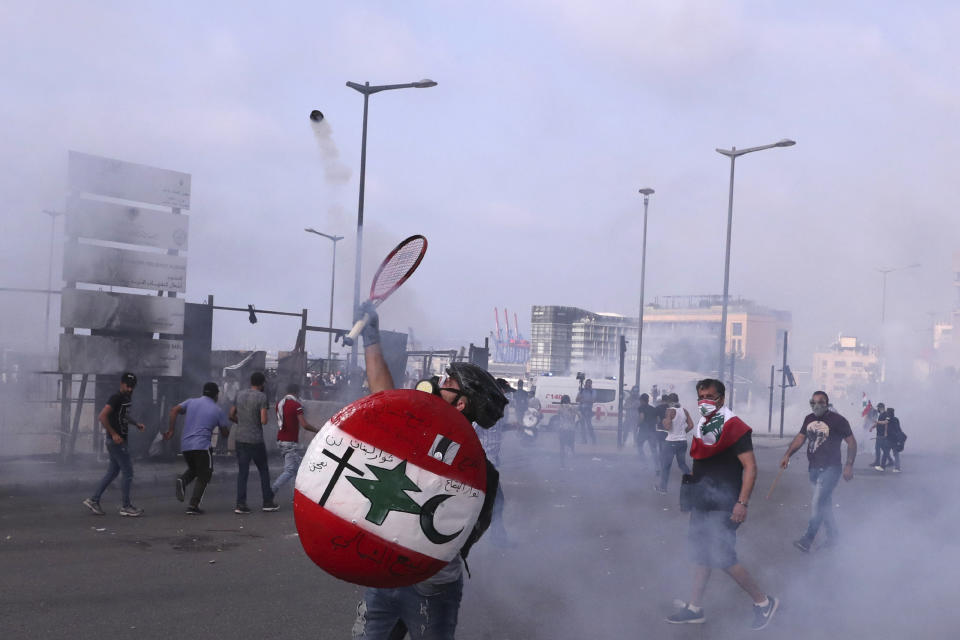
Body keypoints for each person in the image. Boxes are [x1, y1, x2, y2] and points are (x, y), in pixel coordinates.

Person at [350, 302, 508, 640]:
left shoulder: (480, 472)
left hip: (431, 589)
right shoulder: (413, 432)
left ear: (461, 403)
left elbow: (462, 537)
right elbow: (383, 394)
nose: (436, 382)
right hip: (384, 578)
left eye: (447, 382)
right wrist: (371, 339)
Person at [666, 379, 778, 631]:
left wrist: (742, 502)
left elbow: (750, 466)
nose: (705, 401)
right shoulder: (704, 426)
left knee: (722, 557)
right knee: (701, 555)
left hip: (724, 503)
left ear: (722, 399)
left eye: (711, 396)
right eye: (701, 396)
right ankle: (695, 608)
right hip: (702, 501)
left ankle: (763, 602)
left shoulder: (733, 427)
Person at [779, 391, 856, 553]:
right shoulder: (809, 419)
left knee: (818, 503)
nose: (816, 405)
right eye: (813, 402)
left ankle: (807, 540)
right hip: (813, 468)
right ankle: (834, 536)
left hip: (831, 468)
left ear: (827, 403)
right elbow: (800, 438)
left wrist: (849, 465)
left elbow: (851, 442)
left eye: (820, 402)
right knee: (824, 504)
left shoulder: (838, 420)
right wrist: (787, 454)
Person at [164, 382, 233, 515]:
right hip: (202, 446)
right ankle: (193, 505)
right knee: (205, 473)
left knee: (195, 469)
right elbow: (225, 434)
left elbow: (174, 410)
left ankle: (182, 480)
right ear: (216, 395)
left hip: (185, 446)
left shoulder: (191, 402)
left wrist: (171, 430)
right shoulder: (217, 410)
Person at [83, 372, 145, 517]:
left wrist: (136, 424)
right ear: (122, 383)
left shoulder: (125, 398)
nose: (130, 389)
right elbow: (102, 416)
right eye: (128, 386)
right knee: (128, 472)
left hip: (118, 441)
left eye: (132, 387)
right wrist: (114, 434)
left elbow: (122, 415)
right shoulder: (116, 397)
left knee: (113, 472)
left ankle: (94, 500)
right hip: (116, 442)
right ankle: (126, 506)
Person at [230, 371, 279, 514]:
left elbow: (231, 414)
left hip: (240, 438)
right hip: (255, 440)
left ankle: (240, 504)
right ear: (262, 383)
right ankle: (267, 502)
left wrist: (242, 422)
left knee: (243, 472)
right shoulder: (262, 397)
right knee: (263, 470)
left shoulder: (239, 394)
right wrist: (254, 421)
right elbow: (264, 420)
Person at [271, 383, 319, 498]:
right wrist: (318, 430)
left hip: (281, 439)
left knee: (296, 469)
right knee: (290, 470)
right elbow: (304, 424)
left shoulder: (279, 404)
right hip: (290, 442)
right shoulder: (296, 405)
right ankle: (272, 490)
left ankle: (296, 496)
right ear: (297, 392)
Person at [655, 392, 693, 494]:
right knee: (682, 464)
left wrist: (663, 421)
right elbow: (691, 425)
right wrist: (681, 433)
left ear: (669, 402)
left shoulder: (669, 411)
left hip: (671, 442)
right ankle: (694, 483)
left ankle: (663, 488)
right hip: (682, 442)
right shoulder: (684, 411)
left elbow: (667, 427)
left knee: (666, 466)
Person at [634, 392, 659, 469]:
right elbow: (658, 420)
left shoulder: (641, 408)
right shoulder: (654, 409)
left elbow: (641, 417)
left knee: (639, 446)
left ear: (642, 400)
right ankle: (657, 467)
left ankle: (645, 464)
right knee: (653, 449)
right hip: (652, 431)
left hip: (643, 431)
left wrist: (637, 425)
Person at [555, 394, 577, 468]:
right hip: (571, 429)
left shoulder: (560, 407)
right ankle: (572, 464)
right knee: (571, 446)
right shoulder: (573, 407)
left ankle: (562, 464)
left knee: (562, 447)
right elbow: (576, 417)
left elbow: (558, 416)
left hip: (562, 429)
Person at [880, 407, 903, 472]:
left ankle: (882, 467)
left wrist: (877, 422)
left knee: (885, 453)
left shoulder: (888, 419)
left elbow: (884, 424)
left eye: (887, 412)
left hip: (890, 439)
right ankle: (897, 468)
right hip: (896, 439)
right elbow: (899, 429)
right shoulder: (896, 419)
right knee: (896, 454)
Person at [575, 378, 597, 444]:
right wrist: (582, 398)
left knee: (589, 425)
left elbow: (593, 400)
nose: (587, 385)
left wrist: (583, 400)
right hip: (581, 409)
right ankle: (584, 440)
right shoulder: (582, 391)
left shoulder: (593, 391)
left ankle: (593, 439)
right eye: (587, 383)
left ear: (591, 384)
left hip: (588, 410)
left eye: (589, 384)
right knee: (582, 426)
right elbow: (577, 399)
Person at [869, 402, 887, 468]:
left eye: (878, 408)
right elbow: (878, 423)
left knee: (878, 448)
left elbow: (886, 424)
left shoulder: (885, 414)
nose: (877, 409)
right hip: (879, 434)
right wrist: (872, 427)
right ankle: (890, 460)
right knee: (883, 449)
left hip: (881, 434)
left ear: (881, 407)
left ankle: (877, 462)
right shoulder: (881, 414)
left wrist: (885, 433)